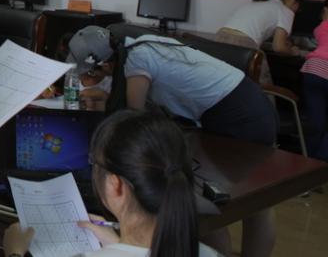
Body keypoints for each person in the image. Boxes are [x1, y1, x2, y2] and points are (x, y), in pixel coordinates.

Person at [67, 25, 278, 257]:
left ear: (106, 64)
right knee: (241, 202)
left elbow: (134, 121)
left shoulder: (136, 60)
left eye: (91, 74)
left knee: (235, 201)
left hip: (239, 116)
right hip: (244, 104)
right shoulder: (140, 45)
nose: (89, 80)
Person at [4, 110, 218, 257]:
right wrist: (117, 245)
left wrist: (14, 252)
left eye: (94, 163)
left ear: (116, 186)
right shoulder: (209, 253)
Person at [217, 0, 306, 83]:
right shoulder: (285, 10)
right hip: (242, 44)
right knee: (263, 84)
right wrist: (294, 52)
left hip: (219, 39)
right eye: (298, 7)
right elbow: (279, 48)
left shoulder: (253, 3)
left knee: (225, 82)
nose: (296, 11)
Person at [301, 0, 328, 160]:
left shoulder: (320, 27)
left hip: (313, 69)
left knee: (315, 120)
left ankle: (309, 161)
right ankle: (322, 161)